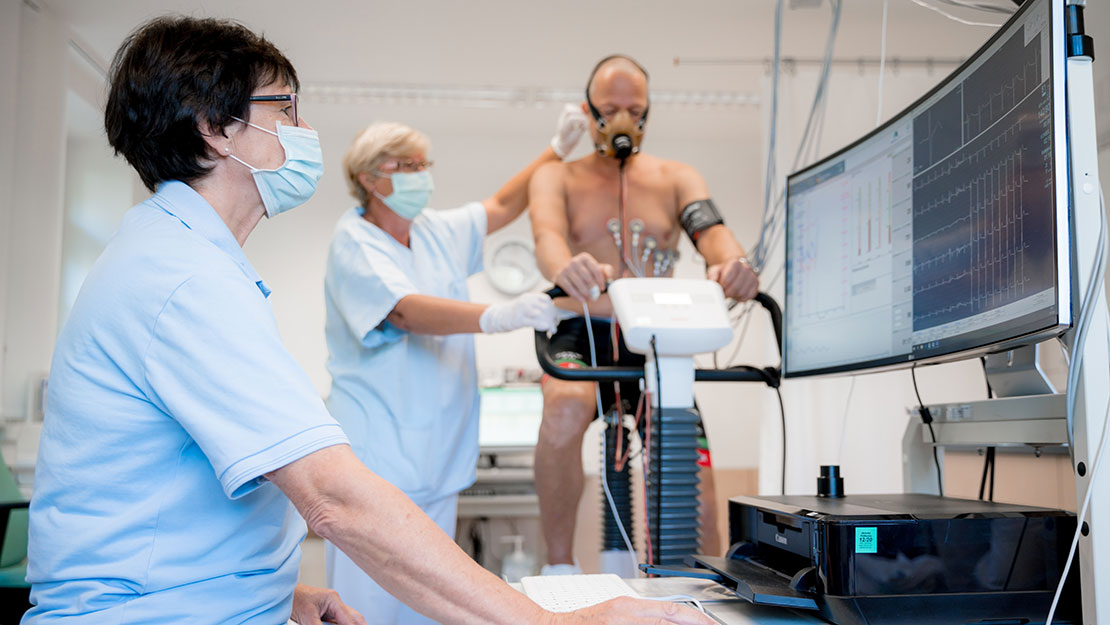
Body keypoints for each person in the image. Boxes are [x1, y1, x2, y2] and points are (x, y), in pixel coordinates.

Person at [20, 18, 713, 625]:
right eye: (285, 108)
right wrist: (548, 621)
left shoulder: (189, 258)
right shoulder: (183, 279)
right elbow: (333, 498)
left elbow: (170, 503)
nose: (304, 131)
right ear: (213, 128)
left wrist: (273, 594)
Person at [322, 113, 584, 623]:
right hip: (380, 460)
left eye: (424, 163)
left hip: (438, 460)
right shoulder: (353, 241)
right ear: (369, 178)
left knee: (428, 606)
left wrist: (555, 150)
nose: (421, 174)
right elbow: (404, 309)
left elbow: (505, 204)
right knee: (368, 607)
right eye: (406, 165)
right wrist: (496, 315)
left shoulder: (436, 230)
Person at [528, 55, 761, 573]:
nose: (622, 121)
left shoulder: (676, 177)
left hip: (656, 337)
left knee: (689, 469)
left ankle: (700, 580)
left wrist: (734, 264)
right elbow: (546, 238)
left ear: (649, 112)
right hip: (580, 327)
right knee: (565, 404)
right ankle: (560, 566)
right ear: (588, 113)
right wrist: (566, 267)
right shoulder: (555, 177)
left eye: (635, 109)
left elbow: (712, 233)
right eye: (610, 109)